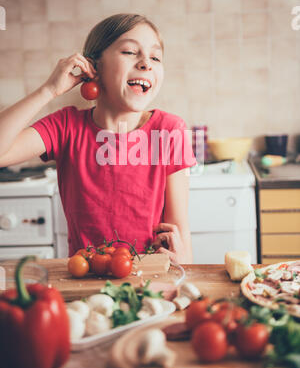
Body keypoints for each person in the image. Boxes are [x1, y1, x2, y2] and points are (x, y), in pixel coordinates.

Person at [0, 13, 196, 263]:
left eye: (155, 57)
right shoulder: (66, 126)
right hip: (84, 281)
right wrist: (49, 90)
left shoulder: (171, 131)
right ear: (94, 66)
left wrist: (187, 273)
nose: (146, 62)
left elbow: (179, 231)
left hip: (151, 278)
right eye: (129, 52)